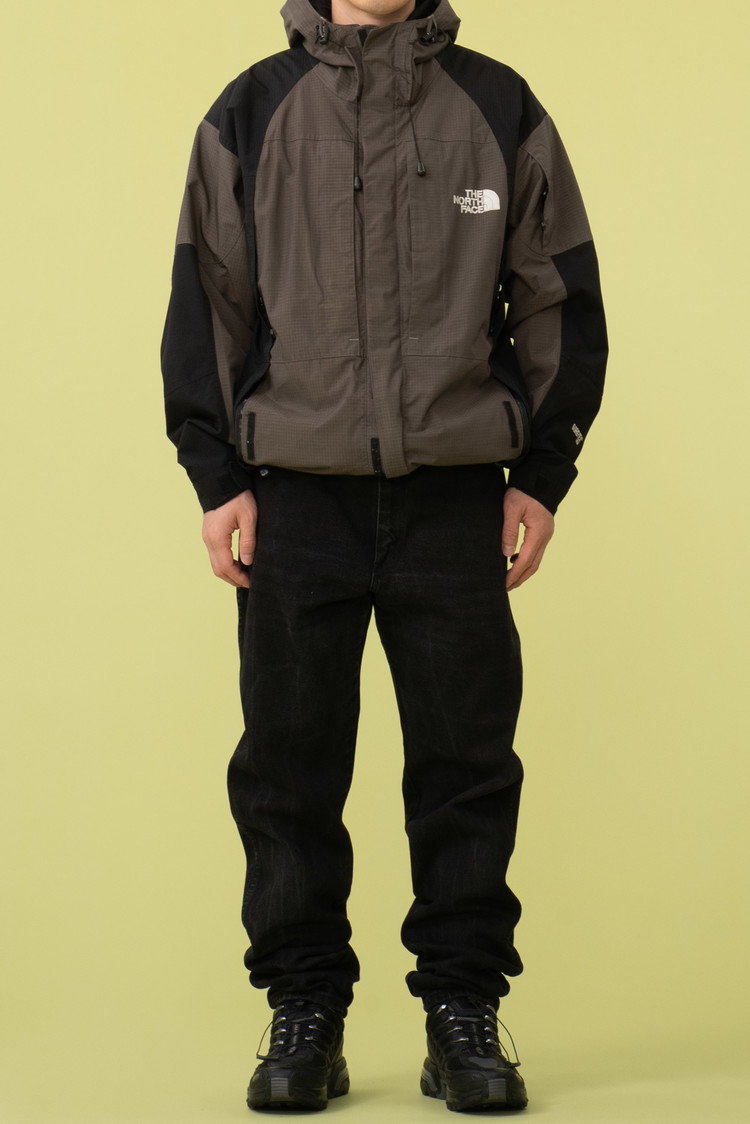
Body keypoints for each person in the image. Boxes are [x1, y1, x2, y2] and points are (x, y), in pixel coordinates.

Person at [161, 0, 607, 1112]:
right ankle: (304, 1010)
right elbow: (208, 298)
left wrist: (541, 472)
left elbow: (558, 290)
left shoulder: (499, 107)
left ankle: (463, 1015)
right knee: (288, 768)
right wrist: (216, 476)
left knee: (467, 768)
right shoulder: (251, 111)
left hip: (455, 499)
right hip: (294, 500)